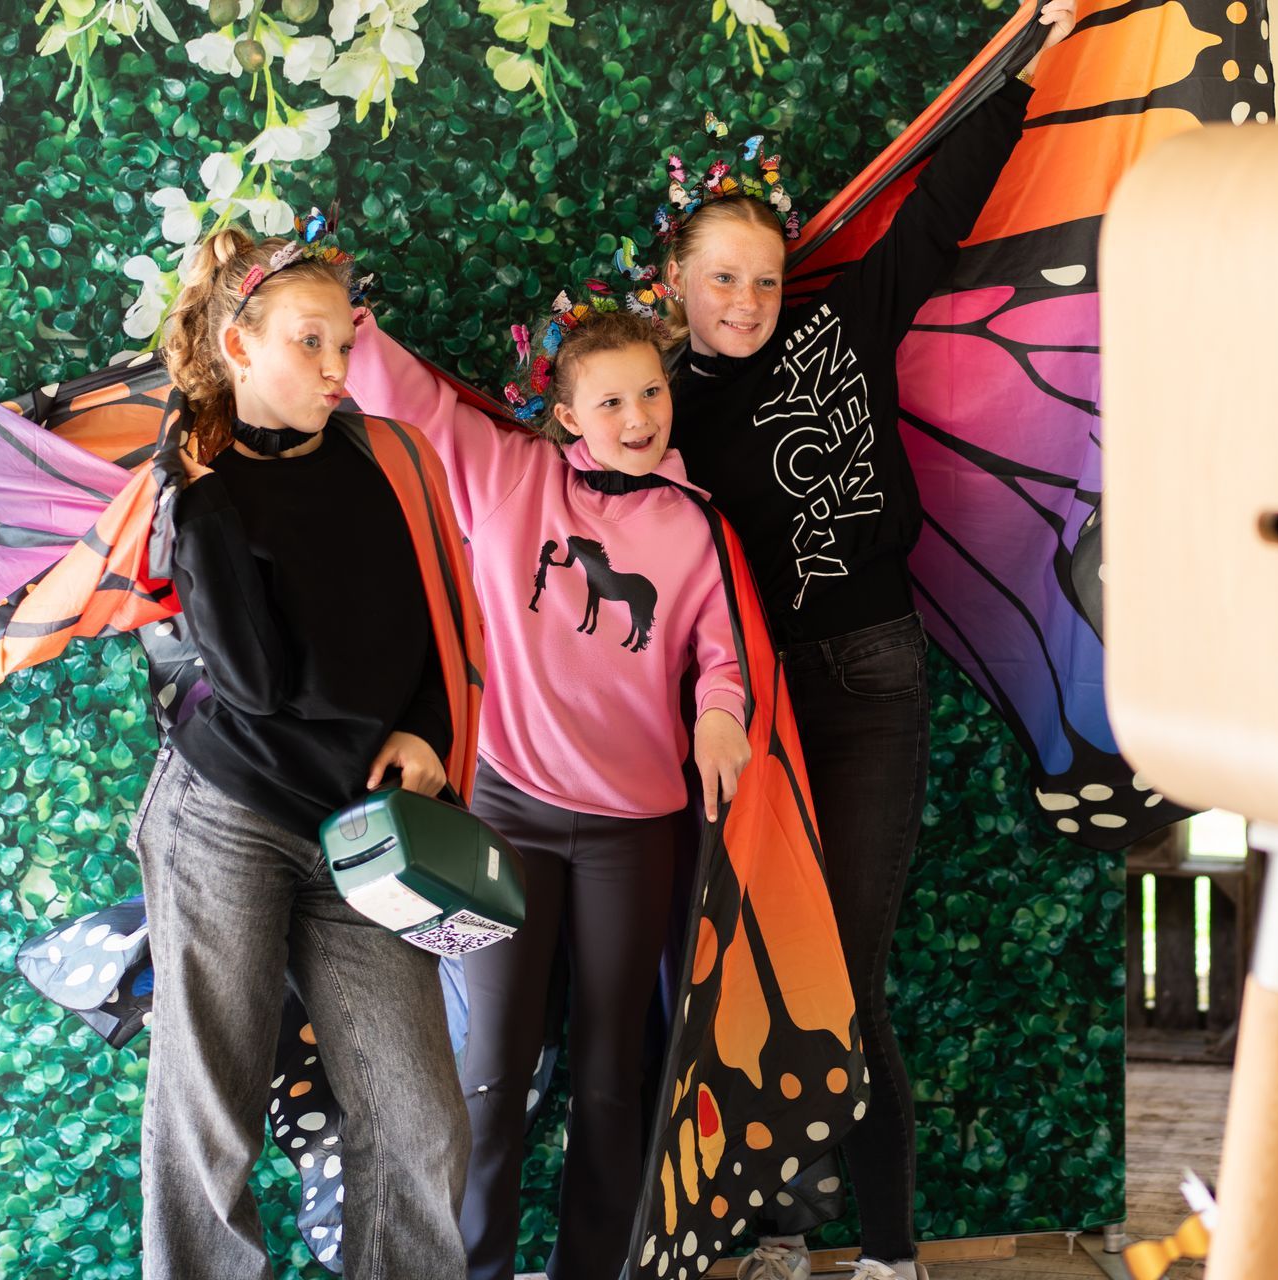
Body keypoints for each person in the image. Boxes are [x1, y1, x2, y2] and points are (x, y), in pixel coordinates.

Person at [658, 4, 1078, 1277]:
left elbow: (940, 207)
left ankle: (889, 1252)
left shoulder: (837, 331)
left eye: (763, 278)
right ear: (676, 283)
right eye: (722, 278)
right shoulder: (660, 417)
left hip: (876, 676)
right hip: (759, 706)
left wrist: (1033, 51)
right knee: (771, 970)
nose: (746, 300)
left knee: (846, 965)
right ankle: (786, 1231)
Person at [345, 303, 751, 1280]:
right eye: (610, 401)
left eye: (650, 392)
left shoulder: (697, 523)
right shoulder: (508, 475)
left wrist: (720, 712)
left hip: (634, 830)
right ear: (567, 417)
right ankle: (473, 1269)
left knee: (614, 1076)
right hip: (508, 815)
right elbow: (408, 399)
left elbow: (724, 650)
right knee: (489, 1073)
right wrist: (338, 320)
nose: (638, 415)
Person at [134, 225, 479, 1280]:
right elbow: (254, 685)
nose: (336, 368)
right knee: (212, 1120)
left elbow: (446, 614)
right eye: (309, 343)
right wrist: (201, 504)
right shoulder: (194, 492)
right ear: (239, 346)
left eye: (345, 343)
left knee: (421, 1123)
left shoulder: (390, 458)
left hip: (364, 826)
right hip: (228, 813)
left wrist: (426, 726)